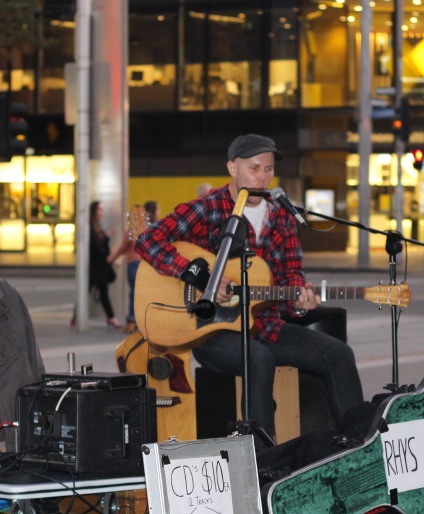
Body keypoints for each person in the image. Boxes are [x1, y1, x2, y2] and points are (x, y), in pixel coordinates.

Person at [135, 133, 363, 445]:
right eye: (254, 168)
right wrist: (201, 279)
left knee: (338, 353)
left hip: (264, 326)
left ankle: (360, 442)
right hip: (209, 330)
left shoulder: (281, 214)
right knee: (258, 358)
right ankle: (262, 455)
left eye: (268, 169)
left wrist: (299, 302)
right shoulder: (208, 208)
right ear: (232, 167)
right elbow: (147, 241)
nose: (262, 177)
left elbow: (292, 276)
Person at [109, 200, 158, 333]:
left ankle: (131, 321)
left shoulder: (131, 231)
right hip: (145, 266)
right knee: (145, 294)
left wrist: (111, 258)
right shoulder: (152, 229)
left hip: (132, 265)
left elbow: (122, 248)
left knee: (133, 294)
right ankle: (145, 321)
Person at [78, 200, 122, 329]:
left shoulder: (95, 226)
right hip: (96, 266)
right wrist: (109, 257)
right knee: (98, 290)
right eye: (100, 209)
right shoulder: (90, 226)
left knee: (99, 290)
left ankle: (110, 317)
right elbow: (95, 246)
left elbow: (99, 242)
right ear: (94, 211)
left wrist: (107, 236)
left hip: (98, 266)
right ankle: (111, 318)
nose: (102, 212)